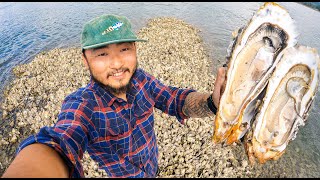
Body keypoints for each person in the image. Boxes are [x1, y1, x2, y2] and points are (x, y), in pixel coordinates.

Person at [2, 14, 226, 178]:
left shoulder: (142, 80)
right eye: (102, 54)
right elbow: (60, 142)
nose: (117, 63)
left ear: (135, 50)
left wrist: (213, 103)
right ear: (85, 60)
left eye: (125, 49)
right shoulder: (83, 105)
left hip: (152, 167)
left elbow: (175, 100)